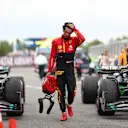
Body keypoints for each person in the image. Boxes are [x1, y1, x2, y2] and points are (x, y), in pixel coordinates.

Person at [46, 22, 85, 121]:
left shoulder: (75, 41)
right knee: (61, 92)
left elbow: (83, 39)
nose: (67, 34)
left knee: (71, 91)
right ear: (63, 31)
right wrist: (50, 70)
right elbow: (52, 56)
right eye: (66, 31)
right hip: (60, 70)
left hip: (70, 69)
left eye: (69, 32)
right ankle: (63, 113)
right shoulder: (56, 41)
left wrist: (75, 29)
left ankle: (69, 105)